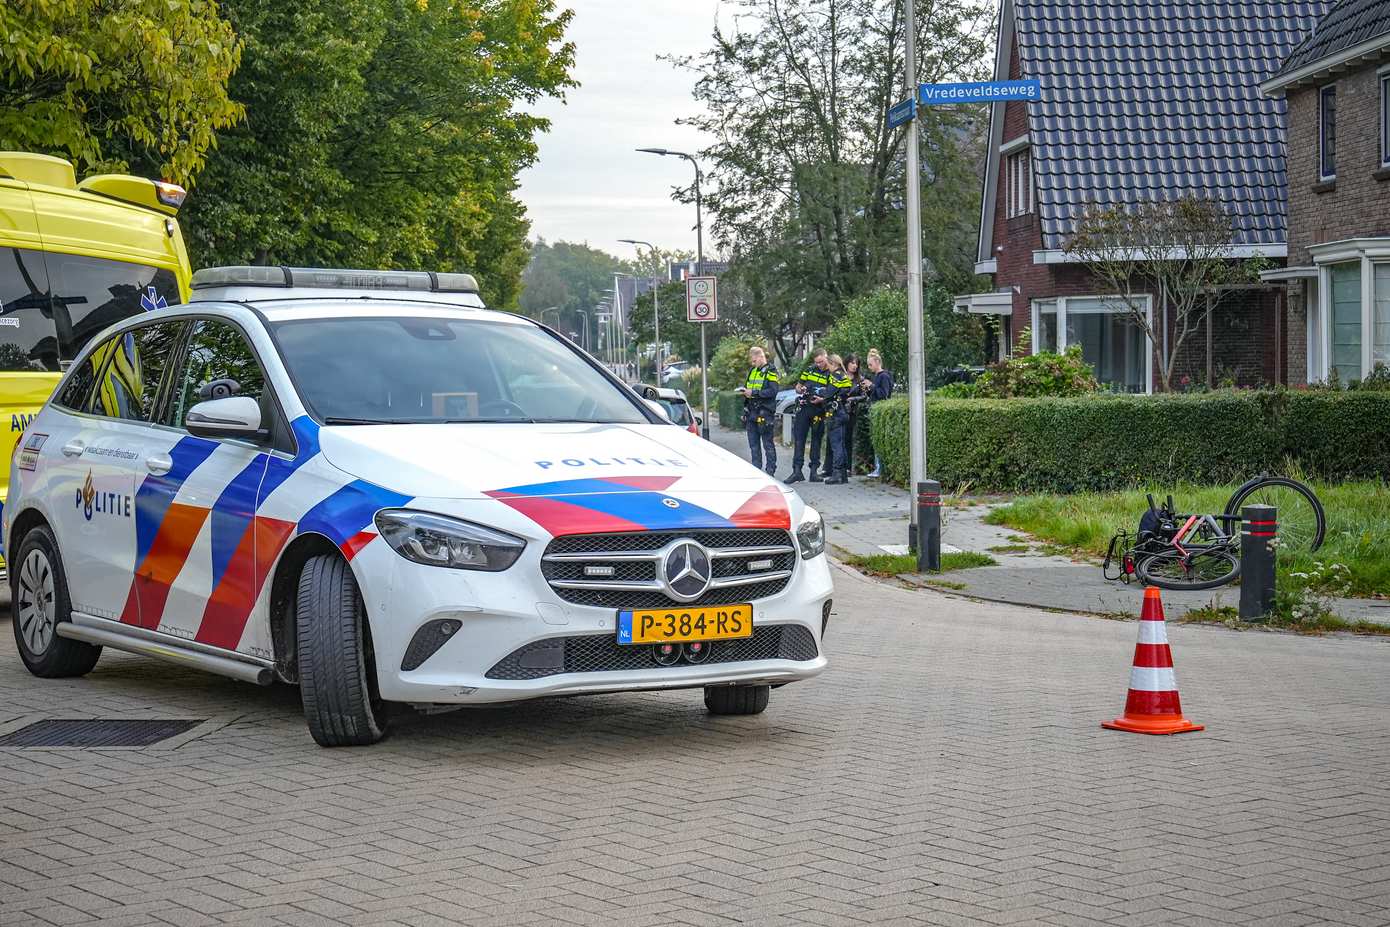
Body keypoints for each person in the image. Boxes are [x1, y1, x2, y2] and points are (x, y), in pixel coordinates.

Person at [786, 347, 832, 484]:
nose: (819, 364)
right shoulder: (809, 370)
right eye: (817, 362)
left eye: (821, 361)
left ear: (826, 357)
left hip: (819, 410)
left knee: (816, 441)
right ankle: (797, 471)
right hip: (804, 408)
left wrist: (822, 399)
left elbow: (833, 394)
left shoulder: (832, 373)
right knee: (799, 439)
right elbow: (798, 387)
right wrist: (801, 389)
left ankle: (814, 472)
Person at [736, 346, 780, 475]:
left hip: (765, 412)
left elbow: (773, 391)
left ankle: (770, 471)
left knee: (768, 444)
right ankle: (757, 471)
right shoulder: (753, 371)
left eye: (754, 361)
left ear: (761, 357)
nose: (753, 363)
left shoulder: (771, 371)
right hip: (751, 412)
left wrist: (754, 393)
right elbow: (749, 387)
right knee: (753, 445)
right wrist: (745, 393)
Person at [823, 354, 853, 484]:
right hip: (843, 412)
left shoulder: (835, 376)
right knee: (841, 444)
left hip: (835, 413)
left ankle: (837, 474)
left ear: (833, 364)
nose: (827, 367)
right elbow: (846, 390)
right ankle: (843, 475)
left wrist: (820, 393)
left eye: (828, 364)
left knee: (836, 445)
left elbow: (829, 393)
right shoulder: (843, 375)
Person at [865, 348, 894, 478]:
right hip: (875, 410)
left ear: (877, 362)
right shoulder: (877, 377)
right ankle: (878, 468)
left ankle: (880, 469)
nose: (869, 367)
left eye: (871, 364)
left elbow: (884, 394)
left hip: (880, 410)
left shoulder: (884, 376)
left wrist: (872, 387)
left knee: (879, 441)